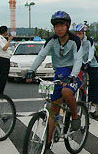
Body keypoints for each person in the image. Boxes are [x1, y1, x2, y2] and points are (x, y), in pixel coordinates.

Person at [25, 11, 83, 144]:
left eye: (62, 25)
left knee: (66, 91)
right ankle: (48, 141)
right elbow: (42, 55)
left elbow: (78, 60)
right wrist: (32, 70)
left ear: (67, 26)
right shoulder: (52, 41)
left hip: (73, 74)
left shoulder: (75, 41)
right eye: (56, 26)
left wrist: (73, 76)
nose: (59, 28)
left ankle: (75, 116)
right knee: (53, 109)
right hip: (59, 74)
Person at [73, 24, 98, 114]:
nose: (78, 35)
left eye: (80, 33)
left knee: (94, 83)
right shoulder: (74, 42)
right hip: (80, 63)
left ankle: (93, 103)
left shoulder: (89, 41)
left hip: (92, 64)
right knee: (76, 81)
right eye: (76, 33)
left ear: (84, 33)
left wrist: (88, 61)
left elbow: (91, 52)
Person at [0, 26, 13, 96]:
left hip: (6, 59)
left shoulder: (3, 39)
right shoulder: (0, 39)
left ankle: (0, 92)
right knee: (2, 78)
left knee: (4, 78)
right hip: (3, 60)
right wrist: (9, 40)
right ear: (5, 32)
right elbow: (5, 48)